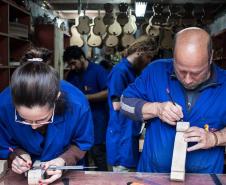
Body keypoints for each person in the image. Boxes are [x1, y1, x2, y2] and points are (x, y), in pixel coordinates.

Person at [120, 27, 226, 173]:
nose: (187, 80)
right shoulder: (155, 71)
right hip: (152, 178)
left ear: (211, 57)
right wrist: (156, 109)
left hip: (204, 179)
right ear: (174, 57)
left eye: (196, 73)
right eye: (181, 71)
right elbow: (124, 103)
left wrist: (216, 138)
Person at [0, 47, 94, 184]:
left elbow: (82, 142)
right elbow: (4, 143)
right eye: (24, 119)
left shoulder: (77, 104)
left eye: (41, 119)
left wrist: (64, 160)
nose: (33, 127)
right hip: (23, 176)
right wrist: (16, 155)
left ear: (56, 98)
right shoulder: (3, 105)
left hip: (66, 171)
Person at [106, 36, 158, 172]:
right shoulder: (120, 71)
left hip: (129, 134)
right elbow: (116, 105)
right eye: (148, 57)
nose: (149, 62)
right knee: (123, 175)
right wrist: (147, 106)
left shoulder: (133, 71)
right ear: (140, 51)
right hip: (121, 136)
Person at [63, 46, 109, 171]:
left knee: (97, 153)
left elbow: (108, 92)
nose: (72, 67)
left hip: (96, 119)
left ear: (82, 58)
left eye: (73, 63)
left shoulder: (98, 71)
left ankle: (103, 181)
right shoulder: (71, 75)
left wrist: (85, 98)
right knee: (80, 153)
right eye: (69, 64)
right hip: (78, 121)